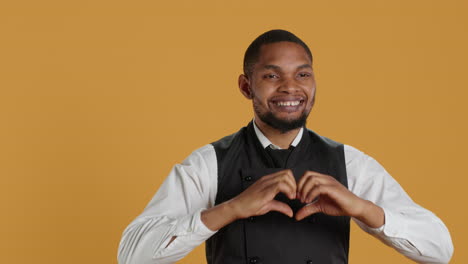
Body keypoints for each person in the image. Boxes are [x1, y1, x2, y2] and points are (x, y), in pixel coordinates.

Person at [117, 29, 453, 264]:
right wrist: (231, 209)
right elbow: (131, 256)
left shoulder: (350, 164)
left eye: (303, 75)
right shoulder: (207, 164)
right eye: (272, 76)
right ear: (246, 86)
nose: (290, 88)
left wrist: (362, 208)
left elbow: (440, 250)